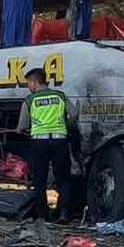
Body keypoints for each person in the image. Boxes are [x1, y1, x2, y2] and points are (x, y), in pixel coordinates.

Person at [16, 68, 77, 221]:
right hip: (59, 141)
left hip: (39, 143)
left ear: (34, 82)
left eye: (28, 83)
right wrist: (66, 125)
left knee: (39, 180)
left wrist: (21, 130)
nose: (28, 87)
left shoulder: (30, 100)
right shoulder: (59, 96)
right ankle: (63, 213)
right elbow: (75, 113)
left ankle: (44, 215)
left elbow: (21, 126)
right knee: (63, 178)